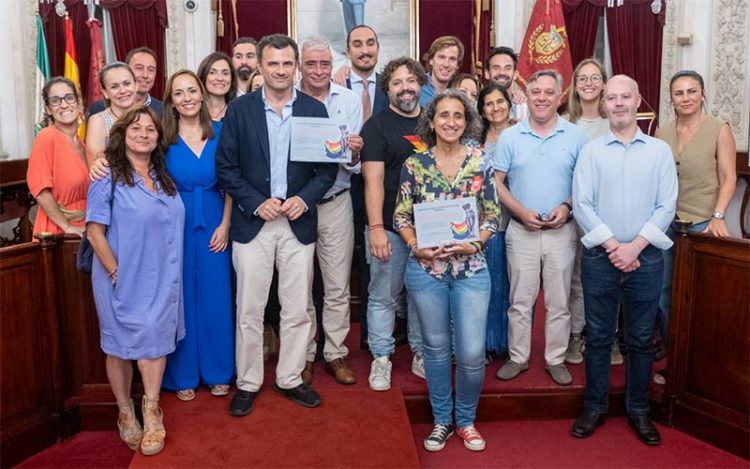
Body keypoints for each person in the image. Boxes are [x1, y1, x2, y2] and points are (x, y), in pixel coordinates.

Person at [216, 34, 337, 416]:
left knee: (297, 307)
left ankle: (289, 378)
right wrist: (255, 202)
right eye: (273, 64)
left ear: (296, 66)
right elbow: (226, 168)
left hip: (298, 224)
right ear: (261, 67)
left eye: (287, 64)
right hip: (254, 223)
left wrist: (305, 199)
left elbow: (327, 169)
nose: (281, 70)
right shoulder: (240, 110)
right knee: (249, 308)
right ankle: (248, 382)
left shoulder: (315, 111)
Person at [571, 75, 677, 446]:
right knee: (598, 336)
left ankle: (639, 410)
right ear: (603, 103)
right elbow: (582, 204)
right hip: (601, 257)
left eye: (624, 97)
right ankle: (595, 407)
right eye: (611, 97)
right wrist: (615, 246)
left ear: (638, 101)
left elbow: (667, 205)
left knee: (641, 339)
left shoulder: (659, 151)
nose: (617, 103)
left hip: (646, 259)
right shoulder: (591, 151)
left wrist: (634, 247)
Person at [395, 89, 500, 452]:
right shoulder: (415, 165)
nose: (451, 122)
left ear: (467, 120)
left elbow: (492, 215)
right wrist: (414, 246)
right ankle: (442, 420)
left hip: (471, 268)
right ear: (432, 121)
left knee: (471, 352)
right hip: (427, 269)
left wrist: (477, 243)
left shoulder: (480, 161)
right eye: (443, 116)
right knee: (436, 349)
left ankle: (466, 420)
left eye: (458, 116)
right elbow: (401, 216)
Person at [85, 106, 184, 456]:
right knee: (118, 345)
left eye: (151, 129)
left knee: (155, 341)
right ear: (122, 135)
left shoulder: (162, 174)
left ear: (158, 138)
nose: (144, 133)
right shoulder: (106, 174)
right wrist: (115, 272)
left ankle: (152, 411)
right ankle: (125, 412)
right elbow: (95, 232)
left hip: (161, 274)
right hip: (119, 275)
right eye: (136, 128)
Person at [493, 70, 588, 386]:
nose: (543, 98)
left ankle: (555, 359)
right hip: (521, 232)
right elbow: (498, 184)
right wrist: (520, 210)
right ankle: (518, 357)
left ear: (560, 95)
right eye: (536, 92)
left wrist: (567, 205)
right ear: (526, 95)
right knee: (520, 300)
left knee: (559, 302)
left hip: (562, 232)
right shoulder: (510, 137)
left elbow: (586, 183)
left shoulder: (576, 137)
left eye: (549, 92)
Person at [654, 70, 737, 382]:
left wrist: (717, 216)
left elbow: (728, 178)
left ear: (702, 94)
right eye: (679, 93)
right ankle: (675, 364)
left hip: (703, 223)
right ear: (672, 99)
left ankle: (701, 368)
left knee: (700, 298)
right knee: (664, 296)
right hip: (667, 224)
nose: (685, 98)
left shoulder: (719, 129)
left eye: (691, 91)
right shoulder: (663, 132)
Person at [158, 70, 235, 401]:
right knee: (182, 298)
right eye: (179, 93)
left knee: (216, 297)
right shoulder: (162, 139)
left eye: (192, 90)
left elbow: (233, 180)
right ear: (171, 101)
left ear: (202, 95)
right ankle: (183, 374)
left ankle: (219, 371)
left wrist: (226, 224)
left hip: (216, 219)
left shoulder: (220, 132)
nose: (187, 97)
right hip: (176, 223)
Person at [297, 36, 363, 385]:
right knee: (301, 286)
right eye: (312, 64)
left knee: (337, 285)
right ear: (300, 66)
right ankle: (305, 353)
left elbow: (354, 163)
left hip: (336, 201)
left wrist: (354, 152)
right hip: (297, 207)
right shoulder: (288, 99)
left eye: (325, 64)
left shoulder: (349, 100)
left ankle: (335, 352)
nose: (319, 70)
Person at [361, 57, 428, 391]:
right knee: (384, 295)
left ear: (421, 85)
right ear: (387, 88)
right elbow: (372, 181)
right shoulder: (375, 126)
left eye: (411, 81)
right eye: (398, 82)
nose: (406, 88)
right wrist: (375, 229)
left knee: (421, 296)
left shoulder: (433, 123)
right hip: (387, 226)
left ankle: (420, 353)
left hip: (429, 229)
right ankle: (382, 357)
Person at [563, 58, 621, 366]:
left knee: (608, 278)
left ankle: (608, 337)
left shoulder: (613, 121)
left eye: (594, 77)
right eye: (582, 78)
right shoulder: (565, 122)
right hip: (574, 212)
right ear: (574, 84)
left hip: (609, 212)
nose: (588, 83)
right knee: (576, 278)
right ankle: (576, 334)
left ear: (603, 83)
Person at [476, 83, 515, 360]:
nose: (495, 108)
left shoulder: (521, 135)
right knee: (487, 285)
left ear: (509, 103)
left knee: (512, 287)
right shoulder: (474, 140)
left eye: (500, 101)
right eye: (488, 103)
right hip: (483, 223)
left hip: (517, 220)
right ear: (482, 110)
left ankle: (507, 344)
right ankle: (485, 344)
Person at [27, 77, 88, 238]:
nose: (64, 104)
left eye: (69, 97)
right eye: (55, 100)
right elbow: (40, 190)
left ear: (78, 102)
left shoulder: (83, 145)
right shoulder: (46, 137)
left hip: (83, 228)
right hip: (57, 233)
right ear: (48, 109)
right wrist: (66, 226)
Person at [87, 47, 163, 119]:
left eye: (151, 70)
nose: (145, 75)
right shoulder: (99, 108)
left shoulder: (163, 110)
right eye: (139, 68)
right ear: (127, 70)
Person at [85, 62, 137, 166]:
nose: (123, 90)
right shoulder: (98, 121)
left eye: (127, 83)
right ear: (105, 92)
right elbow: (95, 167)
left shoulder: (147, 116)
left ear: (136, 86)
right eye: (114, 87)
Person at [484, 46, 528, 121]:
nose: (502, 72)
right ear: (487, 73)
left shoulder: (526, 108)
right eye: (496, 68)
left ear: (515, 74)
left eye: (507, 68)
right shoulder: (477, 107)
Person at [419, 36, 464, 107]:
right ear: (431, 60)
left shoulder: (459, 93)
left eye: (452, 59)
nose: (446, 64)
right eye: (442, 57)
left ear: (457, 65)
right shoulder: (417, 88)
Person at [197, 52, 238, 121]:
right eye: (212, 72)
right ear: (203, 76)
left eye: (225, 73)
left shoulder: (239, 113)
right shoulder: (193, 111)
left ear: (232, 79)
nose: (220, 78)